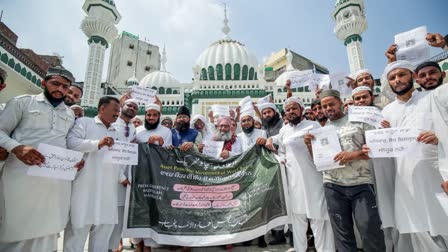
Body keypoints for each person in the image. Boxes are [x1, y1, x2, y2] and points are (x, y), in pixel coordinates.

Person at [0, 66, 80, 252]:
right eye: (55, 84)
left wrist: (73, 161)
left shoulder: (69, 114)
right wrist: (17, 147)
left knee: (48, 227)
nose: (60, 89)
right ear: (43, 83)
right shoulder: (23, 103)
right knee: (17, 223)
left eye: (65, 87)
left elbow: (64, 143)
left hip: (53, 182)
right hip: (21, 177)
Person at [371, 60, 448, 251]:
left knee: (441, 222)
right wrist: (372, 146)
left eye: (401, 75)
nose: (397, 80)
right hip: (404, 178)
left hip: (435, 175)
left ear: (413, 77)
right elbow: (386, 146)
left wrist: (439, 138)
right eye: (392, 78)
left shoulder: (432, 98)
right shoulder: (387, 112)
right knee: (415, 225)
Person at [304, 89, 385, 252]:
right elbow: (319, 162)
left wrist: (354, 155)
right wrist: (308, 145)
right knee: (342, 233)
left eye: (331, 104)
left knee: (369, 228)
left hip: (361, 183)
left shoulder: (358, 122)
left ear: (340, 103)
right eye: (324, 106)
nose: (327, 109)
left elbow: (376, 149)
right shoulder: (322, 129)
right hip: (333, 186)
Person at [266, 97, 335, 252]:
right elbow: (282, 150)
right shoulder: (284, 130)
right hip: (294, 181)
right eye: (288, 109)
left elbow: (325, 149)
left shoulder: (313, 125)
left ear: (301, 110)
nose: (291, 112)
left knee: (319, 220)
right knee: (298, 220)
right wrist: (270, 141)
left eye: (294, 108)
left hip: (314, 180)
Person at [64, 96, 126, 252]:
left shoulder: (117, 131)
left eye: (118, 111)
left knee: (103, 234)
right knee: (78, 230)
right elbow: (71, 143)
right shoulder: (84, 123)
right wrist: (97, 143)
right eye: (115, 110)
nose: (117, 114)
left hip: (108, 190)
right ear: (102, 108)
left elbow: (119, 159)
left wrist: (123, 178)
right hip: (85, 186)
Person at [133, 103, 172, 252]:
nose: (151, 117)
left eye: (154, 115)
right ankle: (138, 243)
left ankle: (149, 245)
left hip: (156, 175)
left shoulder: (166, 131)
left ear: (159, 116)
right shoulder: (138, 130)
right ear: (145, 115)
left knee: (152, 210)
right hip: (139, 174)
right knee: (139, 208)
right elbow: (132, 149)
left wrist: (160, 144)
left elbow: (168, 154)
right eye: (149, 115)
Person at [108, 98, 138, 252]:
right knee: (106, 220)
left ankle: (113, 248)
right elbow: (111, 152)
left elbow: (130, 153)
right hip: (111, 178)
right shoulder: (112, 124)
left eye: (135, 107)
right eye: (129, 105)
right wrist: (121, 176)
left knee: (118, 220)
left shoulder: (132, 127)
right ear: (122, 106)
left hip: (125, 181)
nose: (132, 108)